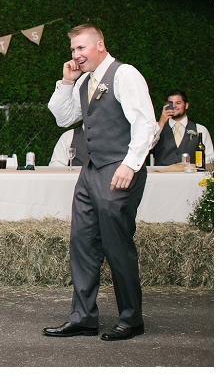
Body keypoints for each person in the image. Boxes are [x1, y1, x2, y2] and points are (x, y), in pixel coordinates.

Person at [44, 23, 156, 342]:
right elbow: (63, 118)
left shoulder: (124, 75)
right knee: (82, 243)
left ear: (100, 45)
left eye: (81, 48)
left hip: (118, 170)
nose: (76, 55)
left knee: (116, 245)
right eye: (73, 50)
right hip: (89, 171)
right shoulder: (83, 82)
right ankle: (82, 318)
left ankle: (132, 319)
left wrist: (131, 164)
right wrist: (66, 82)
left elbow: (145, 123)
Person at [150, 89, 214, 166]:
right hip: (162, 176)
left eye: (178, 103)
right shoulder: (157, 127)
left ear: (186, 105)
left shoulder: (200, 129)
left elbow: (209, 158)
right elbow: (147, 147)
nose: (174, 106)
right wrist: (161, 123)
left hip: (192, 176)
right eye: (170, 103)